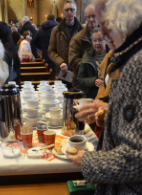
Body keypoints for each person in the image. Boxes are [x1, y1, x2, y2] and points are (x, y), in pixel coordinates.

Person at [69, 0, 142, 194]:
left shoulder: (137, 63)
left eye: (104, 22)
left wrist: (89, 161)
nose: (102, 32)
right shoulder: (127, 55)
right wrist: (111, 110)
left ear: (123, 18)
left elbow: (137, 157)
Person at [48, 0, 82, 77]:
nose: (69, 12)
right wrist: (61, 62)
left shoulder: (82, 30)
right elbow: (50, 51)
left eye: (72, 10)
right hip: (62, 72)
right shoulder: (56, 30)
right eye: (67, 10)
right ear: (63, 12)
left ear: (75, 11)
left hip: (78, 72)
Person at [69, 4, 98, 86]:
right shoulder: (77, 39)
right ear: (85, 18)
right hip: (83, 83)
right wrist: (91, 65)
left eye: (94, 16)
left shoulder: (106, 35)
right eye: (89, 17)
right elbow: (73, 60)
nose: (91, 19)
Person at [77, 28, 107, 99]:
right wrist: (93, 81)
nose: (97, 43)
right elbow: (80, 79)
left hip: (108, 95)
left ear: (106, 40)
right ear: (91, 42)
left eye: (100, 40)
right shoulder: (87, 56)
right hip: (91, 96)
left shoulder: (112, 55)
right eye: (94, 40)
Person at [32, 14, 58, 79]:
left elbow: (34, 41)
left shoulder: (41, 29)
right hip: (54, 55)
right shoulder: (56, 28)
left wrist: (42, 47)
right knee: (54, 74)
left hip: (45, 55)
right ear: (55, 20)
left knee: (46, 74)